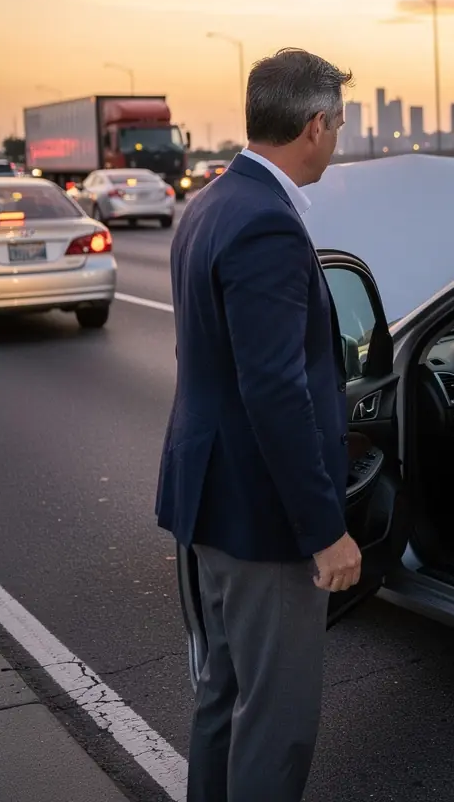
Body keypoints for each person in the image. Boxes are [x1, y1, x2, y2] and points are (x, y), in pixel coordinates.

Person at [155, 48, 359, 802]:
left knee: (223, 695)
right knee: (277, 722)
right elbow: (274, 389)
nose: (336, 139)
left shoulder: (213, 202)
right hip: (264, 518)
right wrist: (324, 529)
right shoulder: (269, 224)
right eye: (338, 124)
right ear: (314, 126)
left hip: (211, 498)